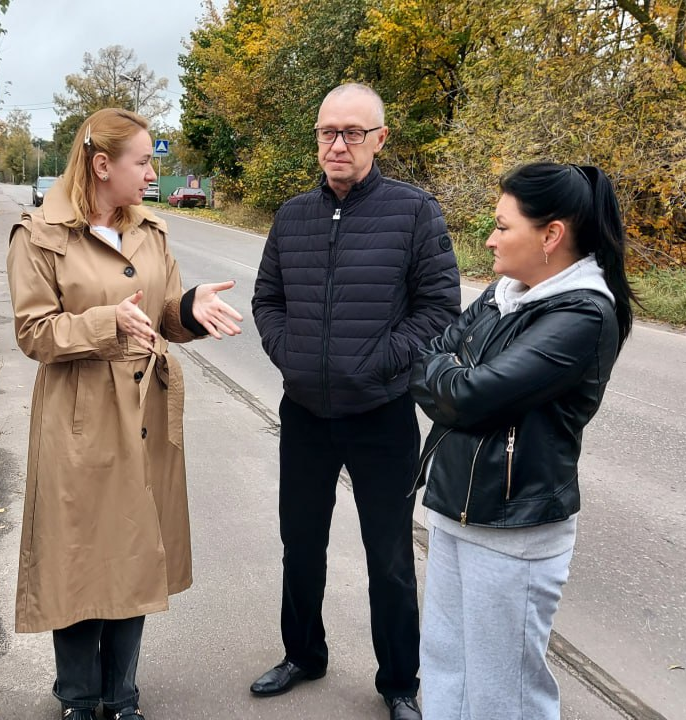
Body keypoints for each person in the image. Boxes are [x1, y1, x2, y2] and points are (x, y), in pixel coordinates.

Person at [6, 107, 242, 720]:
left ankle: (123, 696)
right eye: (143, 161)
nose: (152, 173)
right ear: (102, 164)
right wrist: (106, 323)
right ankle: (80, 700)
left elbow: (161, 314)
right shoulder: (39, 234)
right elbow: (33, 333)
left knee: (138, 548)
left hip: (146, 410)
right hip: (79, 415)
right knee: (80, 553)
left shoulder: (152, 231)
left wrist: (189, 310)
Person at [251, 83, 460, 720]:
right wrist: (291, 353)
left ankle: (399, 681)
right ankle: (303, 654)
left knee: (390, 556)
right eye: (327, 133)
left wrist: (378, 362)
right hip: (306, 414)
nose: (337, 144)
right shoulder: (292, 217)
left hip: (382, 414)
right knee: (301, 543)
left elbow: (438, 311)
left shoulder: (415, 212)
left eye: (352, 133)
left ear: (380, 139)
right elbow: (267, 301)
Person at [408, 162, 636, 720]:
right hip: (454, 505)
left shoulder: (582, 313)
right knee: (445, 661)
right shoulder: (505, 293)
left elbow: (464, 397)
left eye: (503, 226)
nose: (489, 238)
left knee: (502, 688)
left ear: (550, 235)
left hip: (516, 527)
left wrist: (454, 376)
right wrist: (453, 375)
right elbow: (427, 358)